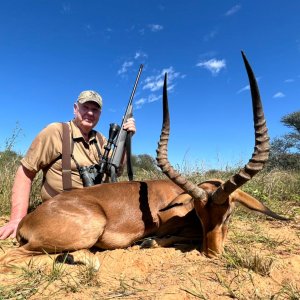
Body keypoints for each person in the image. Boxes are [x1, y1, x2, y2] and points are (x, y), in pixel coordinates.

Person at [0, 90, 136, 240]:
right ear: (75, 108)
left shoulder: (102, 140)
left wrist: (125, 142)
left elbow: (116, 172)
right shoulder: (55, 132)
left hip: (96, 212)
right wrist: (17, 219)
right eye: (86, 107)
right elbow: (25, 172)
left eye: (95, 109)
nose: (90, 113)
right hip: (62, 212)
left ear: (100, 114)